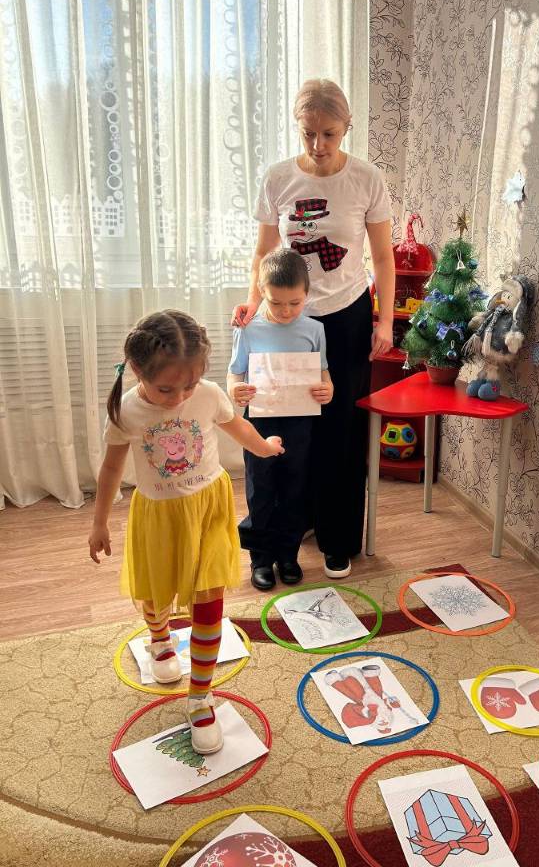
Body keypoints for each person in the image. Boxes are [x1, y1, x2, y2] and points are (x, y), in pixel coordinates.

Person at [87, 310, 283, 755]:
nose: (178, 397)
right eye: (166, 389)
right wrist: (99, 522)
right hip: (159, 516)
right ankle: (159, 640)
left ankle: (200, 697)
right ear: (137, 371)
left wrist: (264, 447)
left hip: (209, 508)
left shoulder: (209, 394)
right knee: (157, 591)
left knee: (209, 600)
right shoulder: (127, 410)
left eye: (189, 385)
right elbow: (111, 468)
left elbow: (238, 426)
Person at [232, 79, 395, 579]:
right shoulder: (278, 178)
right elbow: (264, 253)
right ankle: (284, 530)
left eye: (328, 134)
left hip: (345, 316)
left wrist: (385, 320)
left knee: (339, 431)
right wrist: (253, 304)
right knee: (282, 427)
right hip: (286, 318)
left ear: (347, 127)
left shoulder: (366, 179)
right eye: (308, 133)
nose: (318, 144)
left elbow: (383, 258)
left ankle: (337, 537)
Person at [227, 248, 333, 591]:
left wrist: (328, 389)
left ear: (307, 294)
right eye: (276, 303)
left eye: (295, 303)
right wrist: (235, 390)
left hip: (300, 422)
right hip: (259, 421)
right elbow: (234, 373)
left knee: (294, 487)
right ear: (261, 292)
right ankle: (260, 559)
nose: (286, 311)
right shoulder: (248, 329)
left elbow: (323, 373)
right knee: (260, 488)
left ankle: (288, 555)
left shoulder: (314, 330)